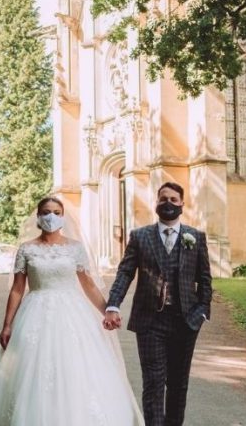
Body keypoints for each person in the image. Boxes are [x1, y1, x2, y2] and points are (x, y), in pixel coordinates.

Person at [0, 197, 144, 426]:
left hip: (73, 314)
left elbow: (89, 285)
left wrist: (107, 311)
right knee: (30, 371)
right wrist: (7, 325)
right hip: (35, 313)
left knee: (75, 367)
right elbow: (17, 290)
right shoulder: (26, 249)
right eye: (46, 212)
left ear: (63, 217)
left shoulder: (75, 248)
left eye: (56, 212)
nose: (51, 217)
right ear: (38, 217)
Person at [103, 182, 212, 426]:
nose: (168, 204)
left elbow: (204, 279)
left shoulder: (195, 237)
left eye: (174, 200)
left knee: (177, 383)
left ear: (182, 204)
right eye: (163, 199)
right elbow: (124, 273)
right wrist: (113, 305)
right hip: (150, 321)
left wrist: (202, 311)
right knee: (153, 382)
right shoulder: (140, 236)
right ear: (156, 203)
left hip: (186, 321)